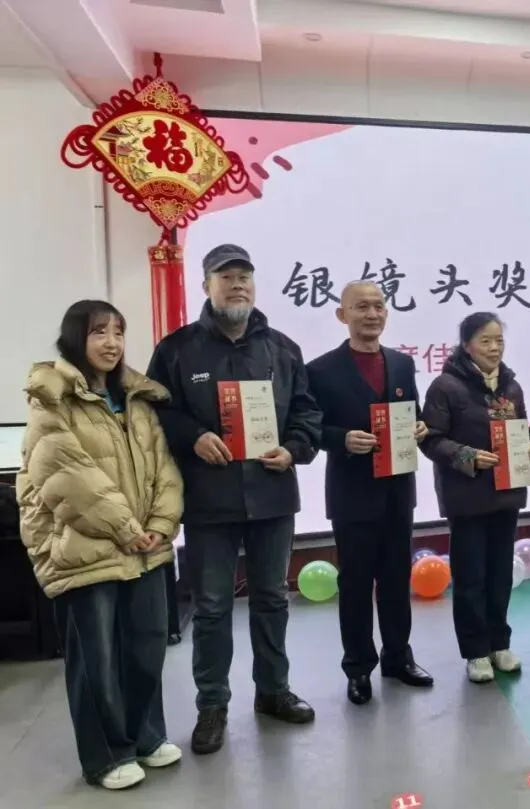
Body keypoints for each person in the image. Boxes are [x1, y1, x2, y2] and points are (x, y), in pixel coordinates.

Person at [146, 244, 321, 755]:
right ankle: (212, 706)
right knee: (212, 607)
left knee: (272, 599)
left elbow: (307, 413)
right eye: (226, 277)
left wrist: (293, 449)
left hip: (272, 495)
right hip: (209, 500)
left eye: (245, 276)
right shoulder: (176, 350)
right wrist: (193, 436)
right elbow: (156, 413)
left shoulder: (283, 349)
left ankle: (273, 691)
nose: (237, 284)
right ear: (206, 286)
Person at [17, 300, 183, 789]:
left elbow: (164, 468)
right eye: (99, 333)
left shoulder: (136, 398)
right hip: (84, 547)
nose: (111, 343)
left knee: (146, 646)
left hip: (145, 546)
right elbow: (67, 476)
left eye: (118, 332)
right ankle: (106, 756)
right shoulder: (51, 400)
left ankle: (146, 737)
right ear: (76, 338)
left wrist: (160, 524)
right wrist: (127, 528)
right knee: (96, 660)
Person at [306, 281, 433, 705]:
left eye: (379, 306)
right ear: (342, 315)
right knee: (356, 584)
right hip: (352, 494)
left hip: (398, 490)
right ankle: (358, 667)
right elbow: (308, 427)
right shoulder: (320, 370)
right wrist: (341, 439)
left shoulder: (402, 363)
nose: (372, 314)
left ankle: (398, 657)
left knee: (396, 580)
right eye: (361, 307)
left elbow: (412, 412)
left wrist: (420, 426)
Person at [420, 313, 530, 682]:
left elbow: (522, 430)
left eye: (499, 340)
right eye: (485, 341)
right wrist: (466, 456)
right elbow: (430, 439)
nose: (494, 348)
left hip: (506, 493)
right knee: (470, 577)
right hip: (467, 496)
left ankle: (499, 643)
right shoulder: (445, 386)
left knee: (500, 575)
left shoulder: (511, 386)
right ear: (467, 345)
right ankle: (475, 651)